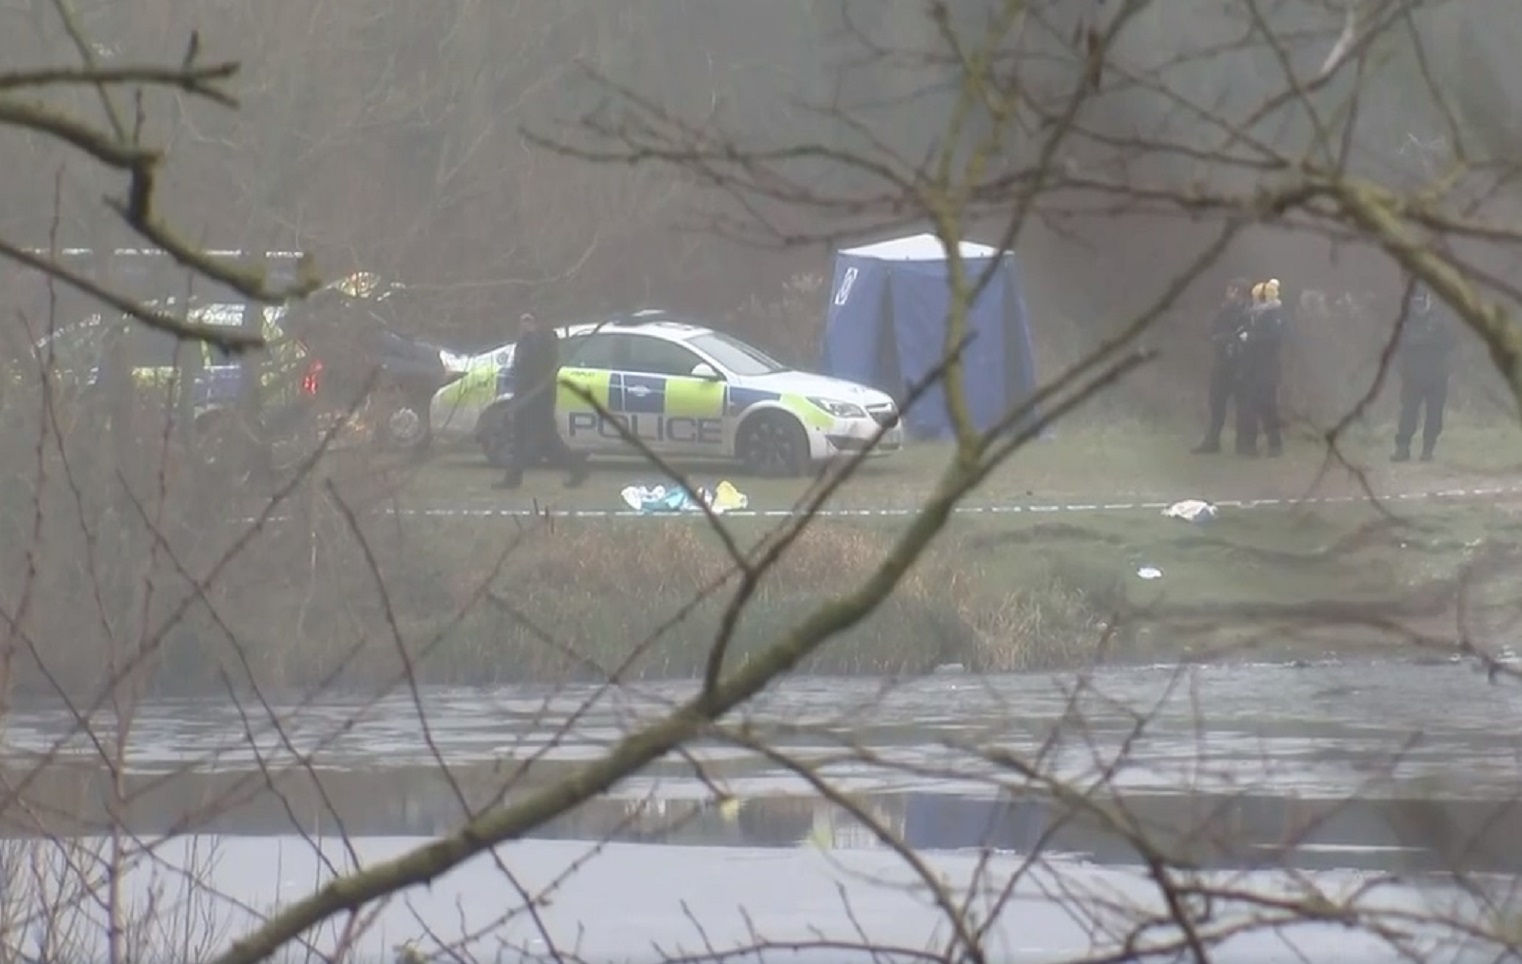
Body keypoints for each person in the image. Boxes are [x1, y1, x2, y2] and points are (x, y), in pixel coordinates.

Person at [493, 312, 589, 489]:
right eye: (522, 320)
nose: (524, 324)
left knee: (547, 440)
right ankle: (513, 478)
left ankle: (577, 469)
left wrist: (526, 392)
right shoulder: (525, 341)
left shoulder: (543, 340)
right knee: (523, 437)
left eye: (529, 320)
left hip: (538, 399)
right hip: (524, 396)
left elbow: (537, 370)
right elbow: (520, 369)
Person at [1391, 283, 1458, 463]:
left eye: (1421, 302)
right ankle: (1403, 448)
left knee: (1434, 415)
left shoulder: (1439, 320)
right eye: (1415, 302)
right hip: (1412, 376)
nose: (1418, 306)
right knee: (1408, 414)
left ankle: (1428, 449)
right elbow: (1401, 345)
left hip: (1437, 376)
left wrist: (1428, 340)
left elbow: (1451, 342)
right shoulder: (1407, 320)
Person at [1191, 277, 1253, 454]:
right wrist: (1221, 337)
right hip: (1221, 363)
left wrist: (1231, 338)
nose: (1230, 293)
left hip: (1241, 364)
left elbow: (1248, 336)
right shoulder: (1223, 310)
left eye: (1234, 290)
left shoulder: (1249, 313)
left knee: (1244, 406)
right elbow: (1213, 331)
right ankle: (1212, 441)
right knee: (1216, 403)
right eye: (1230, 290)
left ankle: (1244, 445)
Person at [1235, 278, 1286, 458]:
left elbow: (1274, 338)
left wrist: (1251, 338)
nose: (1253, 300)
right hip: (1251, 368)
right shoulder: (1253, 315)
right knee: (1249, 407)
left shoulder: (1275, 315)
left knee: (1268, 408)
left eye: (1256, 297)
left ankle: (1275, 445)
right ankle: (1249, 446)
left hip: (1267, 370)